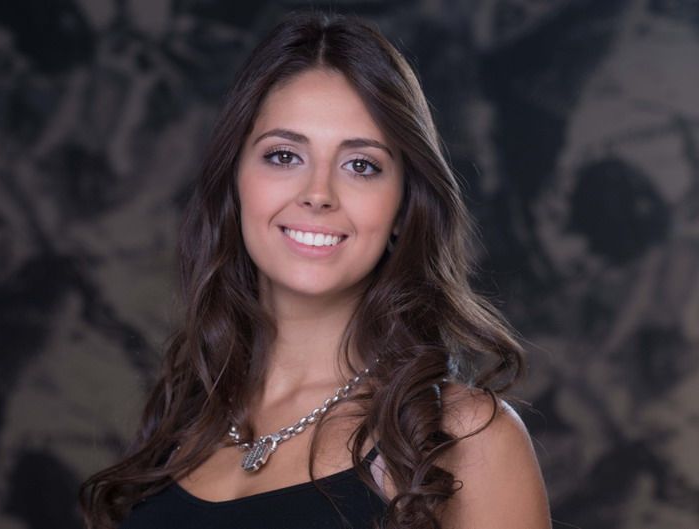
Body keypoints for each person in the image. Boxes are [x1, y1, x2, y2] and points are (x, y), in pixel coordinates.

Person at [79, 10, 551, 529]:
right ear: (235, 180)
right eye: (284, 156)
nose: (318, 194)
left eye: (361, 165)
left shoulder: (468, 438)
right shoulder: (184, 416)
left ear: (403, 207)